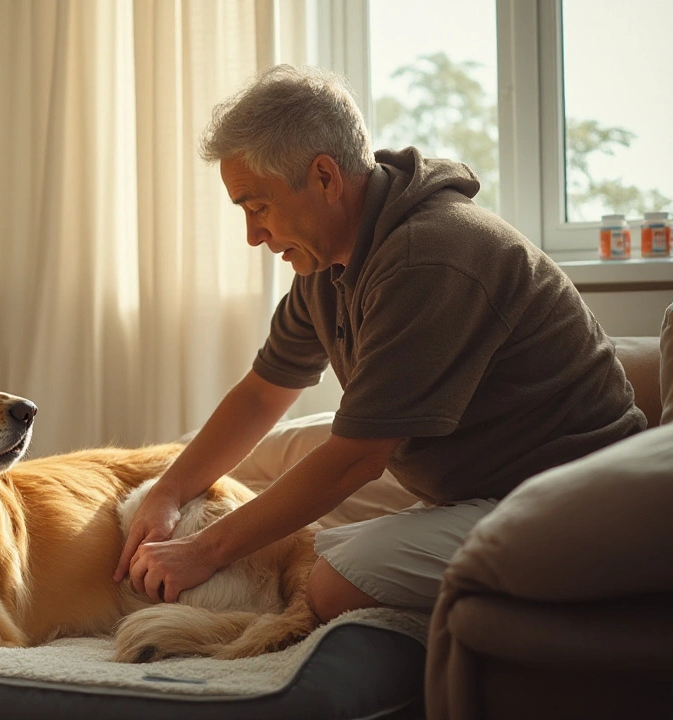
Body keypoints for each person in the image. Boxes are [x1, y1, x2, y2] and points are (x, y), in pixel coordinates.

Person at [114, 64, 645, 622]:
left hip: (570, 500)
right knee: (230, 481)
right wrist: (168, 493)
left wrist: (203, 551)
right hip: (452, 482)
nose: (253, 236)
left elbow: (357, 459)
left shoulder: (430, 257)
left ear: (324, 177)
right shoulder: (324, 259)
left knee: (331, 584)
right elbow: (260, 396)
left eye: (258, 206)